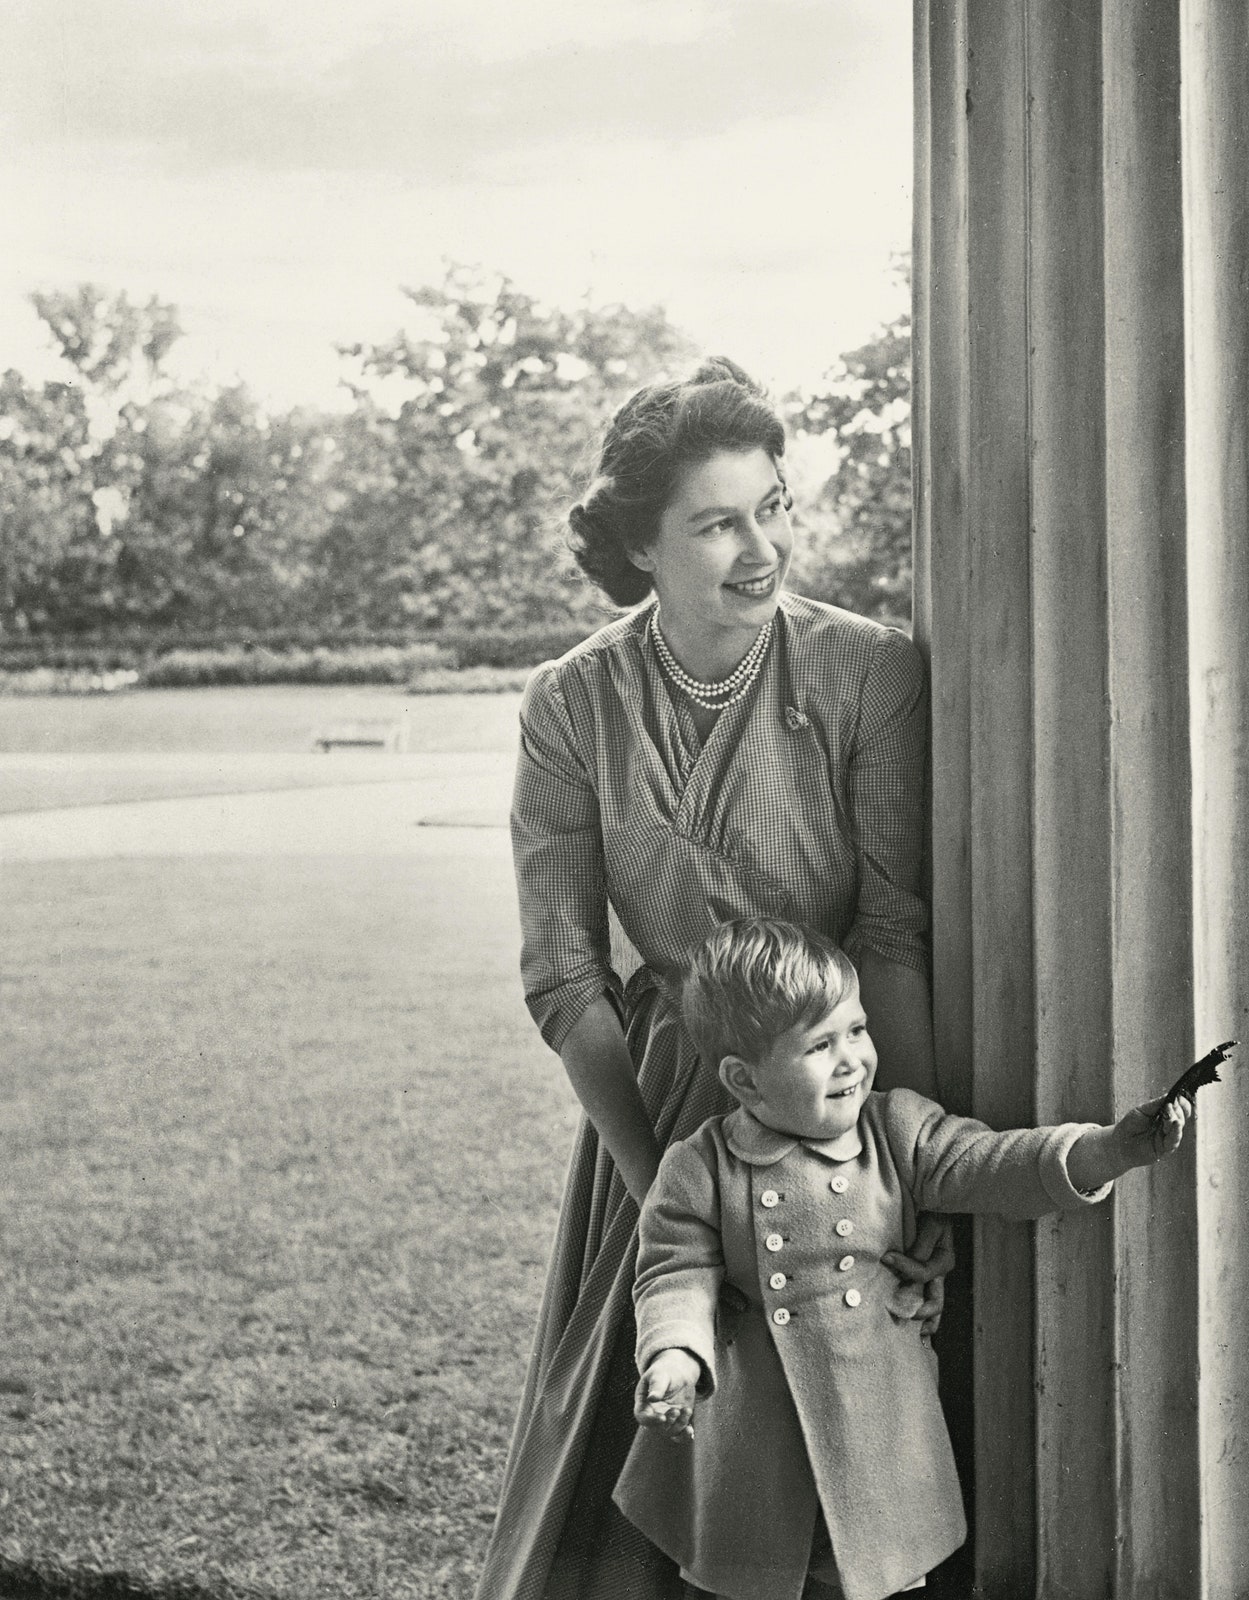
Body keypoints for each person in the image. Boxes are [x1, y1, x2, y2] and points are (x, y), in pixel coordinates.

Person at [476, 359, 950, 1600]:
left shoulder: (868, 674)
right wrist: (664, 1203)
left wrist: (896, 1164)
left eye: (775, 507)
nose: (763, 548)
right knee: (650, 1465)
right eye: (719, 521)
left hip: (834, 1113)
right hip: (664, 1117)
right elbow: (566, 978)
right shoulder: (570, 703)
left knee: (851, 1472)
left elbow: (893, 934)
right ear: (641, 546)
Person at [616, 917, 1194, 1600]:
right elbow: (673, 1273)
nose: (852, 1058)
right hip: (754, 1450)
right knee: (747, 1582)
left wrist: (1107, 1150)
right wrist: (674, 1359)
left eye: (856, 1030)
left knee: (876, 1579)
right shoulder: (700, 1166)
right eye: (820, 1045)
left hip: (876, 1441)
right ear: (745, 1081)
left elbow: (993, 1163)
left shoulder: (896, 1128)